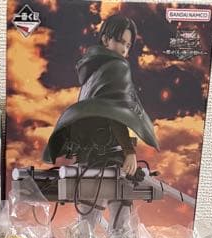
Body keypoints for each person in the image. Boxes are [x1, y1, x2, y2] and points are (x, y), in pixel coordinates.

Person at [44, 14, 158, 177]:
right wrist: (129, 151)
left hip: (87, 155)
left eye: (128, 45)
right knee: (123, 191)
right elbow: (114, 112)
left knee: (87, 193)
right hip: (107, 155)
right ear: (105, 40)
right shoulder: (118, 67)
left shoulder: (92, 69)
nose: (124, 50)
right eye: (120, 42)